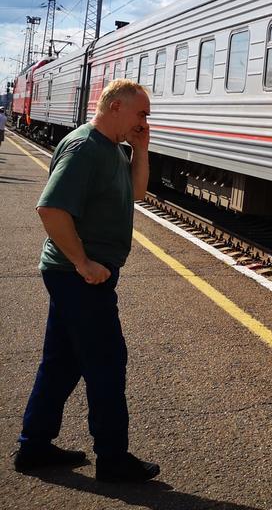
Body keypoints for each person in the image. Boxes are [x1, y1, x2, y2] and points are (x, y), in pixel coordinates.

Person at [13, 79, 160, 482]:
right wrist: (83, 263)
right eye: (141, 113)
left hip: (80, 275)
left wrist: (141, 149)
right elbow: (51, 209)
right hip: (78, 276)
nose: (145, 121)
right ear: (115, 106)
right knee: (107, 362)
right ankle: (113, 460)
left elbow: (137, 193)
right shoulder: (84, 148)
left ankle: (34, 447)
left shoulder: (111, 148)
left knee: (62, 363)